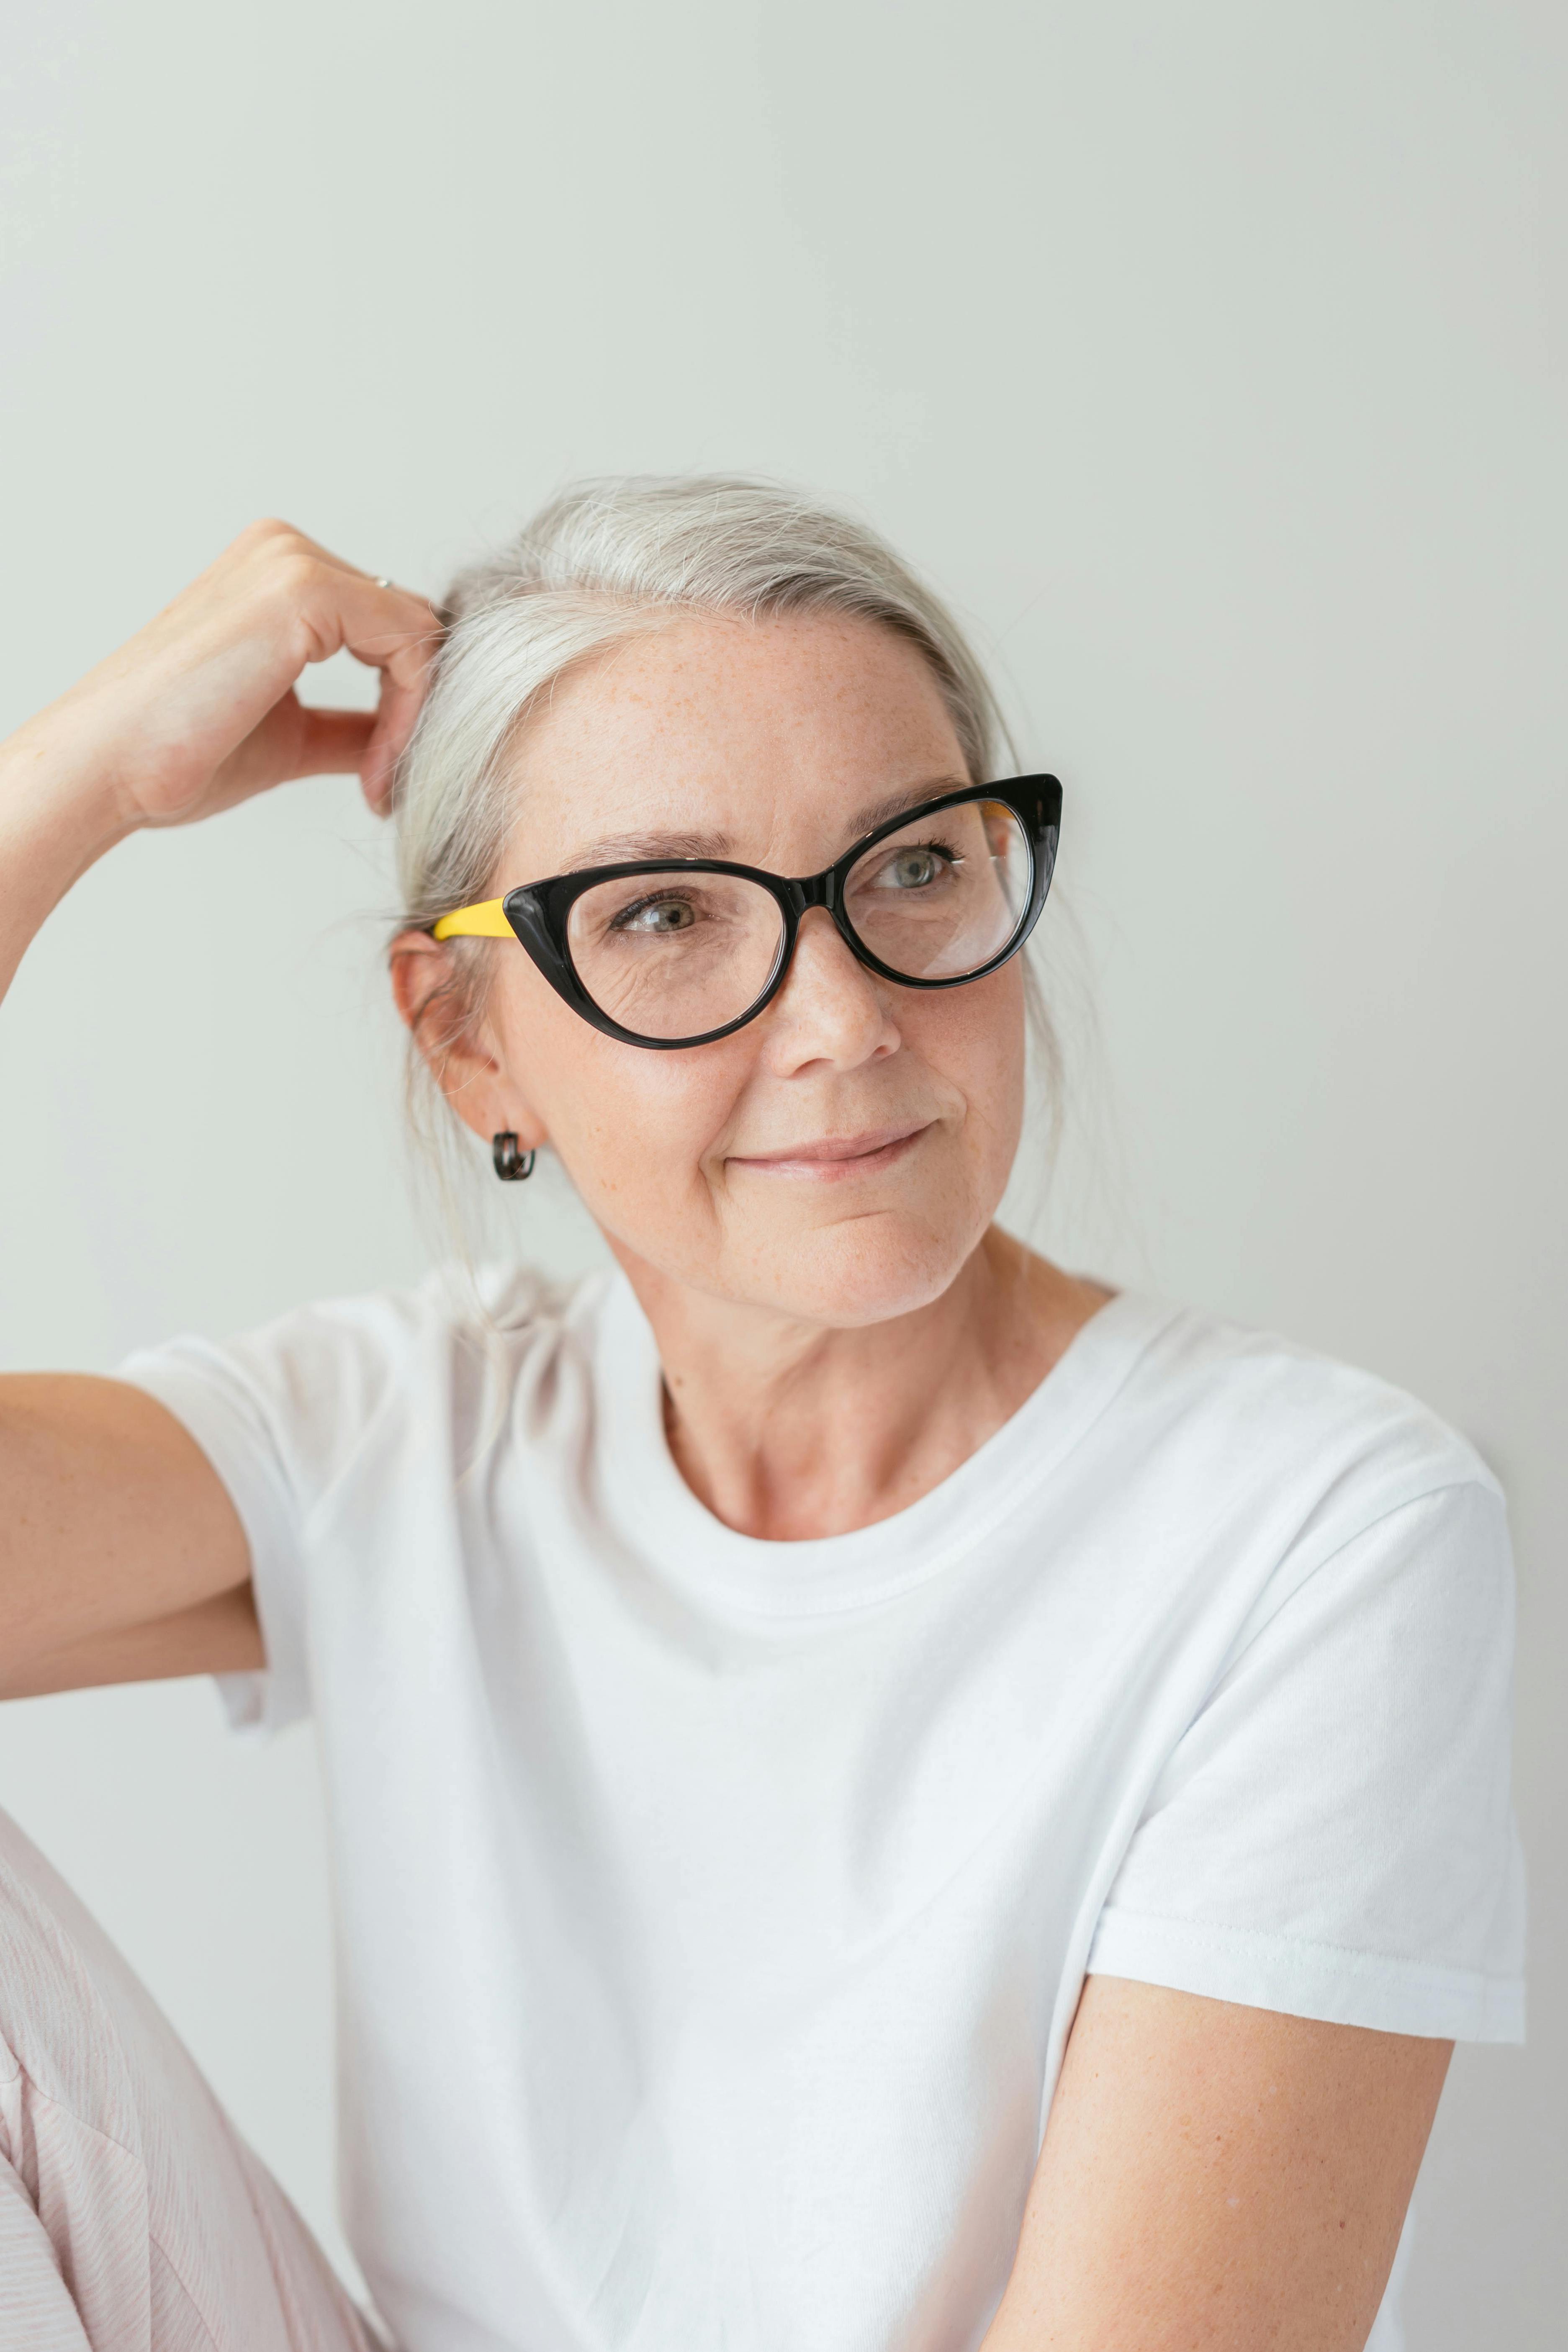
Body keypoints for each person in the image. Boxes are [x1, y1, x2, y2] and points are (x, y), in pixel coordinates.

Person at [0, 480, 1523, 2352]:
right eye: (663, 912)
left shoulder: (1314, 1529)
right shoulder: (409, 1436)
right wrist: (58, 787)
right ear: (472, 1037)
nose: (841, 1016)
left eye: (912, 868)